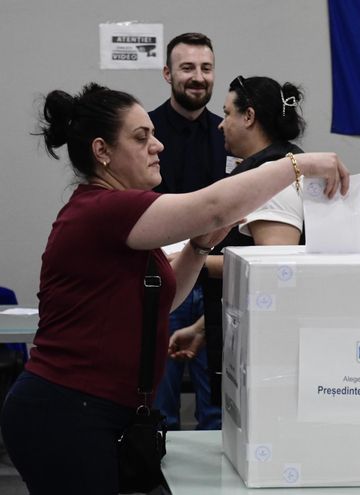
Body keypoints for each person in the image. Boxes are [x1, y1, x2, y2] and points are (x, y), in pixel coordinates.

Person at [0, 82, 349, 495]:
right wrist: (297, 164)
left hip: (97, 409)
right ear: (102, 151)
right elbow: (212, 205)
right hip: (66, 409)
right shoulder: (103, 208)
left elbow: (164, 298)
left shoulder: (122, 215)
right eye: (141, 137)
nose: (158, 146)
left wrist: (202, 244)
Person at [166, 76, 308, 405]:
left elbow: (275, 267)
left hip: (270, 354)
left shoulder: (274, 176)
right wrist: (203, 327)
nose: (220, 124)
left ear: (249, 117)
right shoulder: (265, 170)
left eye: (227, 113)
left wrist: (190, 261)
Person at [147, 33, 226, 431]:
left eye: (206, 68)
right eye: (188, 68)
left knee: (217, 410)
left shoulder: (228, 134)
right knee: (157, 404)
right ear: (167, 73)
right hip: (160, 279)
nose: (198, 77)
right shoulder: (145, 133)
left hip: (215, 281)